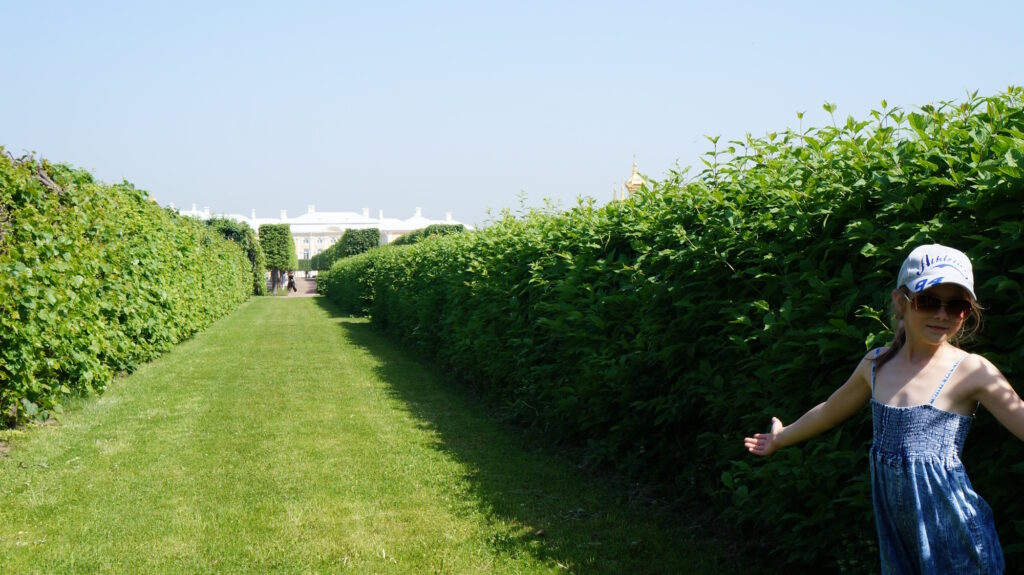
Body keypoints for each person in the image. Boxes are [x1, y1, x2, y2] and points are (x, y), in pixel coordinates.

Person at [744, 244, 1024, 574]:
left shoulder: (971, 370)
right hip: (898, 533)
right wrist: (780, 438)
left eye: (957, 306)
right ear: (900, 302)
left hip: (954, 534)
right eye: (928, 300)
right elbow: (830, 410)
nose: (942, 314)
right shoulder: (876, 364)